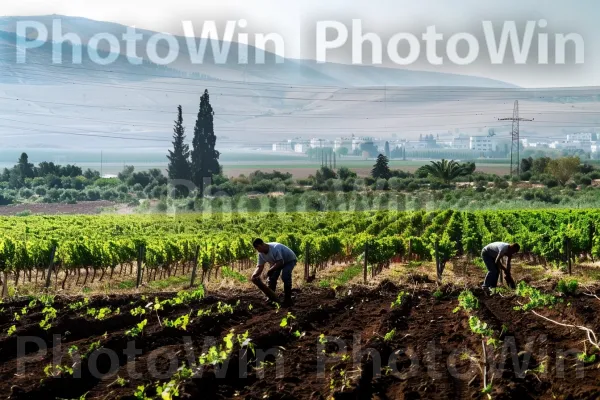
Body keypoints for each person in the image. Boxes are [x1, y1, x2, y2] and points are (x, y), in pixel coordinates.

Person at [251, 239, 297, 306]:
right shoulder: (261, 254)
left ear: (263, 244)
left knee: (285, 276)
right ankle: (271, 298)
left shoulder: (275, 248)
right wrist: (254, 275)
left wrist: (271, 270)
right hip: (276, 262)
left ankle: (288, 299)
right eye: (257, 249)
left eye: (259, 248)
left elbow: (280, 262)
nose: (258, 251)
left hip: (289, 260)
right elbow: (260, 266)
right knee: (271, 278)